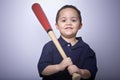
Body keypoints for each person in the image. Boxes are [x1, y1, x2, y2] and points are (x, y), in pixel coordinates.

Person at [38, 5, 98, 80]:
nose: (68, 23)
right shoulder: (49, 46)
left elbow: (90, 73)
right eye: (63, 20)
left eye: (73, 20)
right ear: (57, 26)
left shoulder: (86, 49)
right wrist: (59, 67)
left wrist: (80, 71)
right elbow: (43, 70)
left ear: (80, 25)